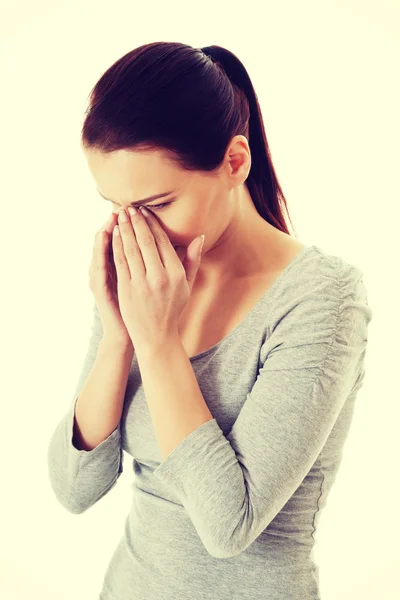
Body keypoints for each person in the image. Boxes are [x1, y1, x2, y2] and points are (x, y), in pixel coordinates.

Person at [47, 42, 373, 600]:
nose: (137, 234)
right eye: (117, 208)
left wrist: (157, 341)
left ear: (235, 162)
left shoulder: (324, 298)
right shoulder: (142, 284)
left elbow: (230, 526)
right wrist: (117, 335)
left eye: (158, 204)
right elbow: (76, 488)